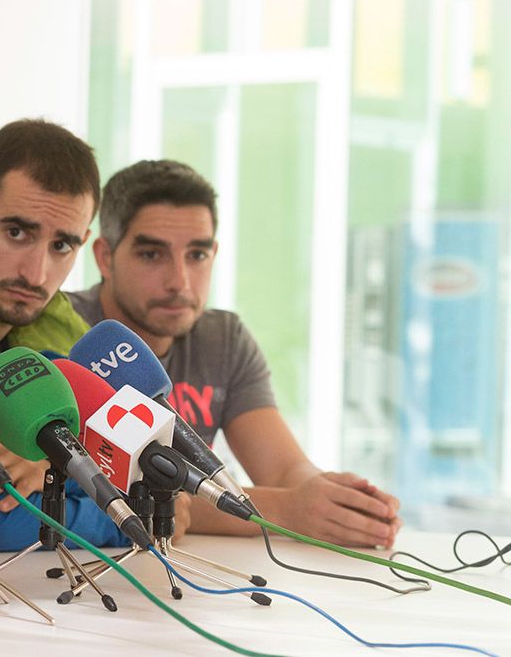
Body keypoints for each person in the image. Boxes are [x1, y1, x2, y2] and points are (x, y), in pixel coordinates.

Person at [66, 159, 401, 548]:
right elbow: (102, 493)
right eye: (152, 255)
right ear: (105, 257)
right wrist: (291, 510)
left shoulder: (223, 338)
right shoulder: (64, 331)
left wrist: (335, 500)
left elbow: (284, 470)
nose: (180, 281)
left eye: (197, 255)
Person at [0, 119, 169, 551]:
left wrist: (51, 463)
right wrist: (118, 522)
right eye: (17, 232)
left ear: (83, 242)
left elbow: (152, 488)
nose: (36, 273)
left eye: (61, 245)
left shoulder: (72, 345)